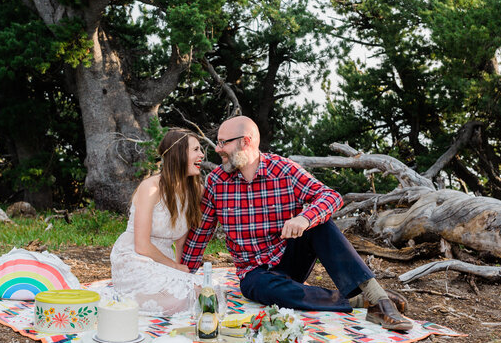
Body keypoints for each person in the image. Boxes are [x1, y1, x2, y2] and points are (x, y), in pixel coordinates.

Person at [181, 116, 413, 331]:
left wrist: (305, 217)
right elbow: (201, 232)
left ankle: (379, 299)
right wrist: (181, 274)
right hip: (255, 273)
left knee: (321, 224)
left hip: (289, 258)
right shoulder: (216, 181)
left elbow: (332, 197)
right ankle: (358, 301)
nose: (217, 149)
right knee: (260, 289)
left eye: (223, 143)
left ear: (245, 142)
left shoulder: (284, 170)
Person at [110, 129, 205, 316]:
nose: (201, 155)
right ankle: (124, 298)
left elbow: (180, 242)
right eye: (195, 150)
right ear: (178, 154)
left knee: (206, 292)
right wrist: (175, 268)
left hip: (165, 261)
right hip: (135, 257)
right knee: (176, 301)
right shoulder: (151, 188)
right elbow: (142, 246)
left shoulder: (196, 190)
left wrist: (181, 275)